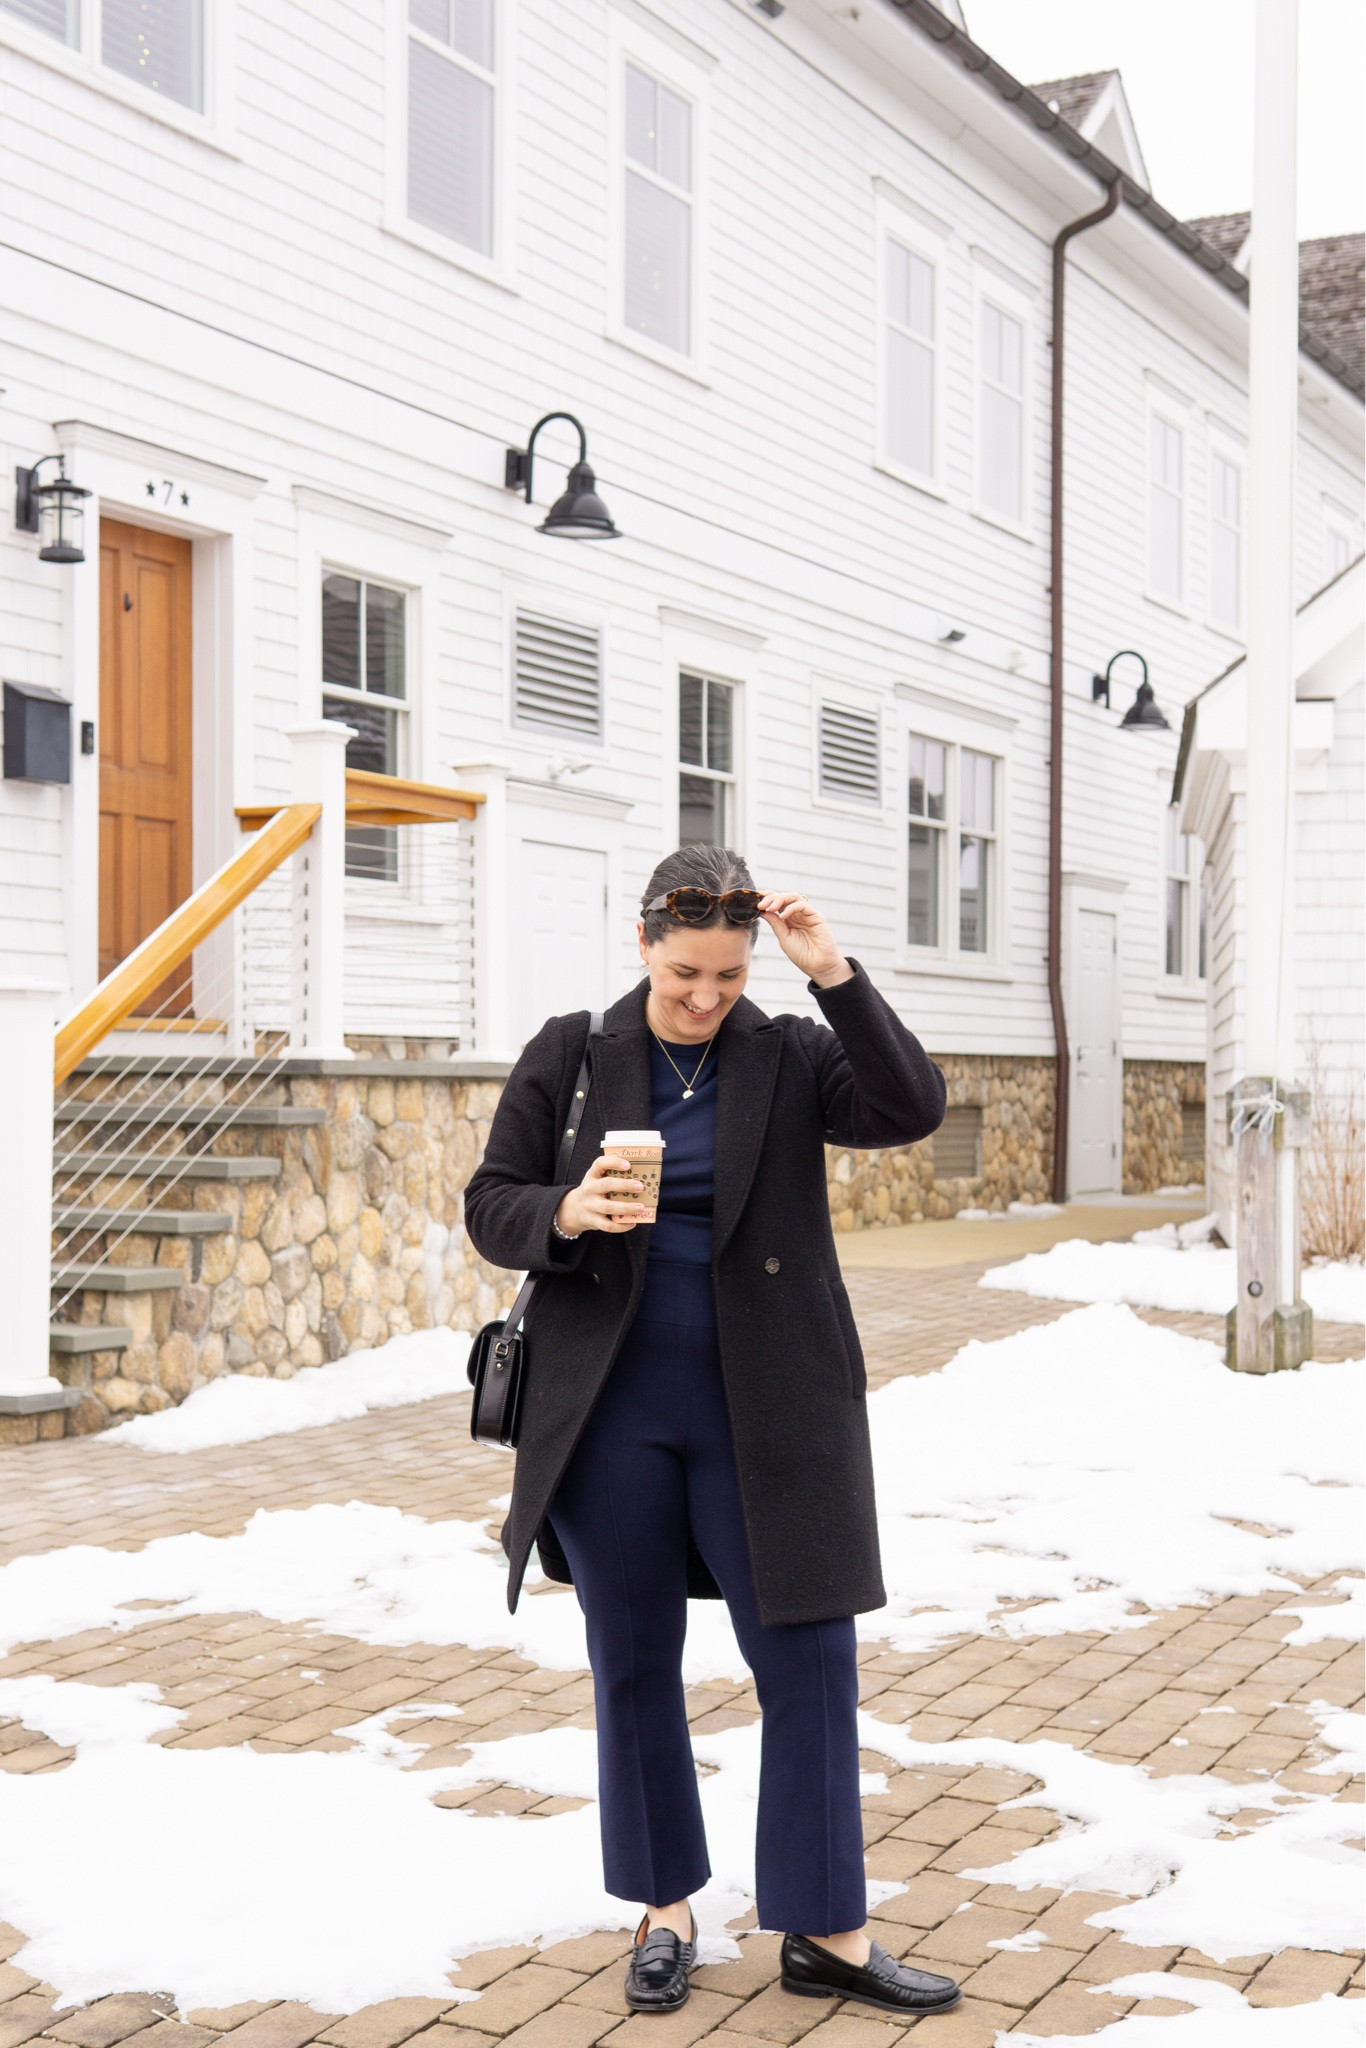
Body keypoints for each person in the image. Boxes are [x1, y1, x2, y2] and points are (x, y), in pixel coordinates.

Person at [464, 845, 961, 2020]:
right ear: (644, 942)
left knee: (808, 1664)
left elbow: (908, 1106)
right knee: (631, 1661)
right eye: (687, 971)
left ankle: (827, 1928)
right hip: (611, 1411)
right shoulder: (574, 1053)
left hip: (771, 1406)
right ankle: (662, 1911)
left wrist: (830, 973)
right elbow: (491, 1201)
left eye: (730, 976)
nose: (705, 996)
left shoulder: (786, 1053)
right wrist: (568, 1211)